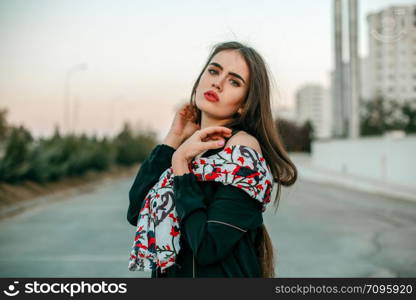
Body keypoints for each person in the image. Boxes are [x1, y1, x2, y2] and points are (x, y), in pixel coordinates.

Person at [127, 41, 297, 278]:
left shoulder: (242, 149)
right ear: (200, 79)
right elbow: (137, 212)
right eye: (214, 71)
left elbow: (208, 247)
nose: (217, 82)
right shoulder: (189, 150)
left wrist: (181, 169)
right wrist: (173, 138)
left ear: (244, 105)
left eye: (234, 81)